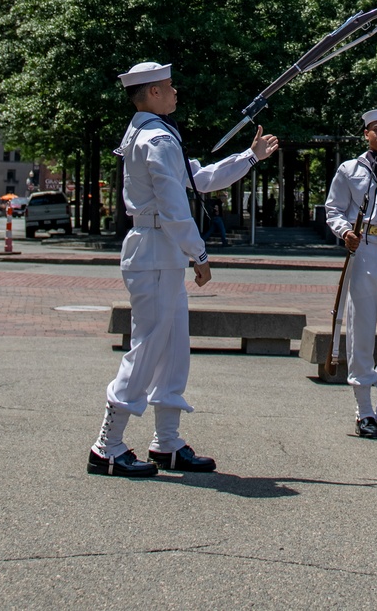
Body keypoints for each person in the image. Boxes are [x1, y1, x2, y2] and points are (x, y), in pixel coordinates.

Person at [88, 61, 277, 478]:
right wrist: (200, 253)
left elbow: (199, 178)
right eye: (170, 87)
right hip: (156, 248)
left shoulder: (154, 134)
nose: (176, 93)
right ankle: (108, 445)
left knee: (172, 349)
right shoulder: (157, 139)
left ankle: (167, 442)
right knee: (150, 347)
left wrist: (250, 156)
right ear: (153, 93)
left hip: (160, 251)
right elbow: (175, 203)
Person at [325, 108, 377, 439]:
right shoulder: (349, 169)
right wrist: (345, 232)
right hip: (365, 250)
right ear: (366, 134)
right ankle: (364, 409)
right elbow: (333, 208)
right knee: (359, 329)